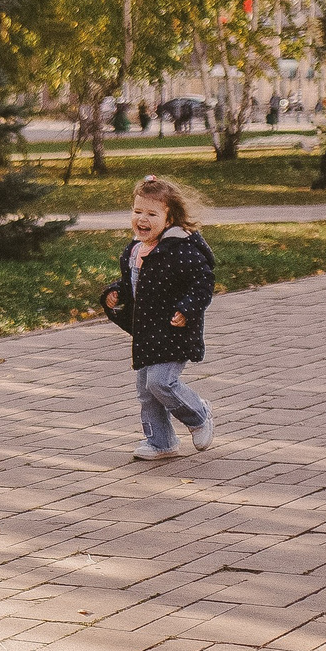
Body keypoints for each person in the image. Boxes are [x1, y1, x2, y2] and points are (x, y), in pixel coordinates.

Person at [100, 173, 216, 461]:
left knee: (160, 382)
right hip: (147, 332)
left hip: (176, 329)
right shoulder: (134, 250)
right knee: (146, 391)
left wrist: (187, 310)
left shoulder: (180, 249)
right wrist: (116, 293)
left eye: (152, 213)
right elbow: (133, 286)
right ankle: (161, 442)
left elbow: (202, 282)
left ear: (170, 218)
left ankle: (199, 414)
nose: (142, 218)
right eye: (138, 211)